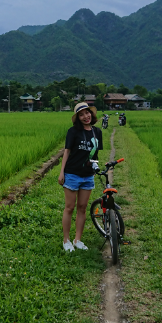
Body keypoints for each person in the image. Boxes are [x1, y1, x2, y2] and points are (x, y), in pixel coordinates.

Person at [58, 102, 103, 252]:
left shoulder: (97, 132)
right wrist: (62, 172)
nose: (86, 116)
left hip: (87, 176)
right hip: (72, 174)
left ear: (92, 114)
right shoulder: (73, 132)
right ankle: (66, 240)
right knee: (69, 208)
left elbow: (95, 155)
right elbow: (67, 152)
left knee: (82, 208)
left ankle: (78, 239)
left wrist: (96, 167)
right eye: (81, 114)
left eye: (87, 113)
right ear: (78, 117)